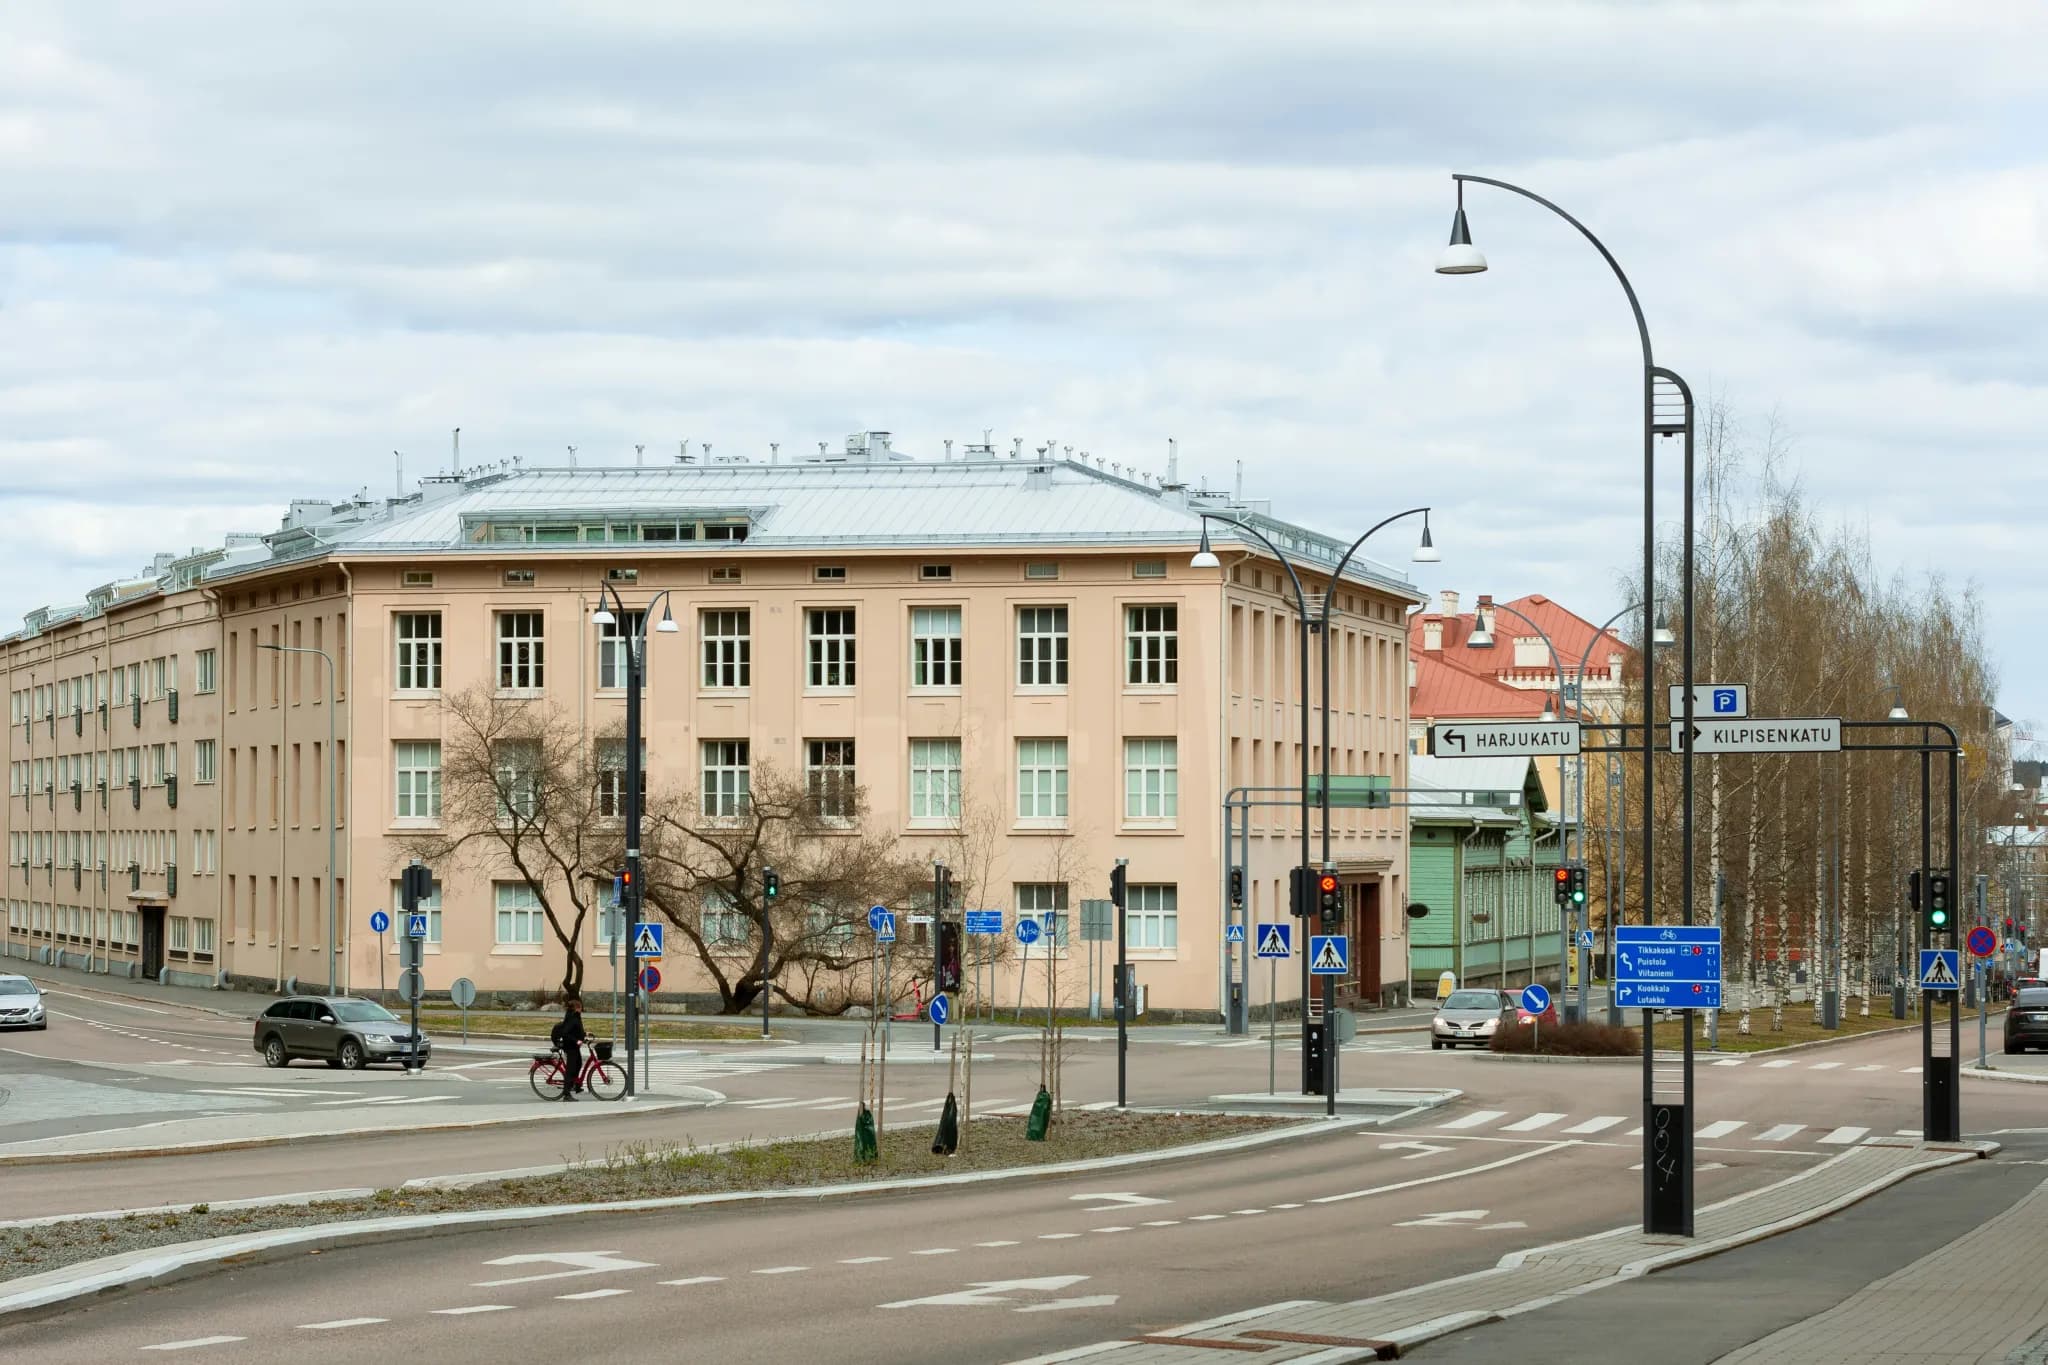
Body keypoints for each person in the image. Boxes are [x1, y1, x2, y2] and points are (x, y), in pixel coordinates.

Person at [550, 996, 587, 1100]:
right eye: (580, 1007)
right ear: (576, 1008)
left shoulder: (576, 1016)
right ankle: (566, 1094)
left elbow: (576, 1030)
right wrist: (577, 1040)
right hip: (570, 1047)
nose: (581, 1009)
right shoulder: (572, 1017)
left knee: (578, 1064)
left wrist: (584, 1034)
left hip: (574, 1046)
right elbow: (566, 1033)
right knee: (570, 1070)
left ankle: (575, 1084)